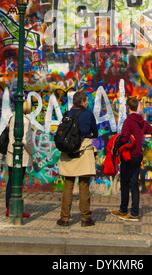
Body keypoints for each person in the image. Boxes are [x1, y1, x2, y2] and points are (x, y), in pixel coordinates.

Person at [111, 97, 152, 221]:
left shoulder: (128, 121)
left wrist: (120, 142)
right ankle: (134, 212)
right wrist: (143, 135)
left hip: (128, 156)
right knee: (134, 184)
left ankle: (125, 209)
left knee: (125, 183)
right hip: (138, 156)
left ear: (128, 107)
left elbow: (124, 137)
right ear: (137, 107)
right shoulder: (142, 122)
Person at [57, 91, 98, 227]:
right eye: (86, 101)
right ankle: (86, 218)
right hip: (84, 152)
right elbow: (95, 133)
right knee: (84, 186)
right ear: (82, 101)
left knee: (68, 186)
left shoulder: (67, 114)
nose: (87, 103)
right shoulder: (88, 114)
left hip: (68, 153)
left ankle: (64, 218)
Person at [5, 100, 33, 218]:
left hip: (11, 153)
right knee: (17, 182)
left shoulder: (12, 118)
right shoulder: (25, 121)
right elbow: (25, 141)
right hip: (21, 154)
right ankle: (15, 208)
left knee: (11, 181)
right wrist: (32, 152)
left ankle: (8, 206)